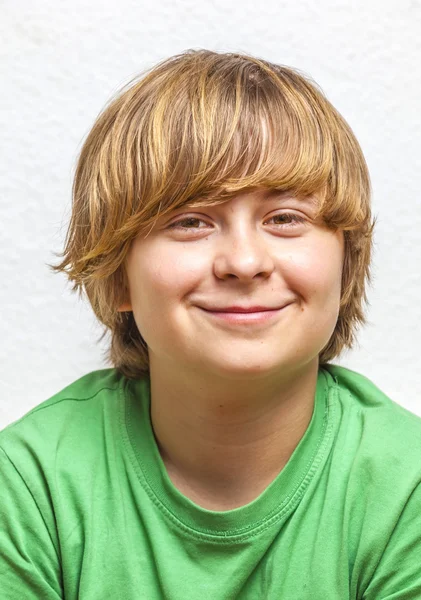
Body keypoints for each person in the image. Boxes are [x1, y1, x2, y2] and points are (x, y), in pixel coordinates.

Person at [1, 48, 420, 600]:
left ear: (346, 266)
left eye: (285, 218)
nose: (245, 262)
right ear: (118, 273)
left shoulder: (406, 491)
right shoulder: (30, 486)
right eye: (190, 221)